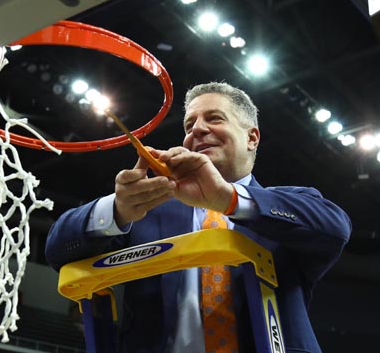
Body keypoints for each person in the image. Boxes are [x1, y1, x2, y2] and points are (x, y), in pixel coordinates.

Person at [45, 82, 351, 353]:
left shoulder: (286, 206)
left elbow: (335, 229)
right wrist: (117, 210)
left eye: (214, 118)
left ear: (252, 138)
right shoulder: (147, 209)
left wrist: (228, 199)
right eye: (189, 125)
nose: (197, 130)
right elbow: (58, 249)